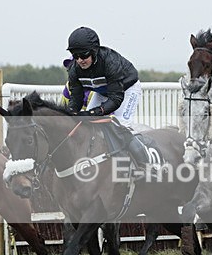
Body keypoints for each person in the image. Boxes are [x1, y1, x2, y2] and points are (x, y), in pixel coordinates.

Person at [64, 27, 153, 171]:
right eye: (75, 55)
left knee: (121, 127)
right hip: (103, 91)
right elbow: (76, 100)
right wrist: (69, 115)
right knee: (86, 124)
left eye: (83, 54)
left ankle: (146, 165)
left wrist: (93, 113)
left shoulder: (110, 62)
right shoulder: (74, 70)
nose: (80, 60)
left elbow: (116, 99)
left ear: (94, 51)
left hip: (126, 89)